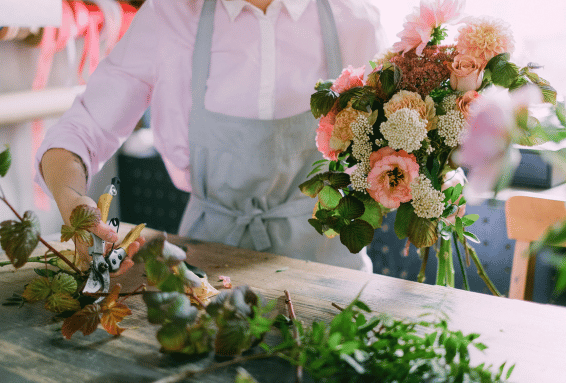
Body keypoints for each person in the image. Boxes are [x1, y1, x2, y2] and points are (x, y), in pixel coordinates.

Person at [36, 0, 387, 274]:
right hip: (208, 270)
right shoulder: (168, 16)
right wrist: (70, 198)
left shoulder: (356, 18)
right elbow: (82, 129)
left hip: (331, 269)